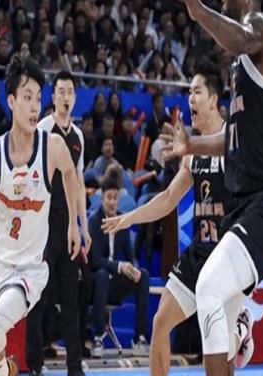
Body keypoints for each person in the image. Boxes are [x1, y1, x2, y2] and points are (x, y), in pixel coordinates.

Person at [165, 0, 263, 375]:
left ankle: (239, 323)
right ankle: (240, 324)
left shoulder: (261, 29)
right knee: (218, 307)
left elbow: (240, 39)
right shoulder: (243, 66)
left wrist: (198, 11)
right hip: (246, 206)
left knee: (208, 286)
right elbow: (233, 137)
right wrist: (192, 144)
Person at [103, 70, 254, 375]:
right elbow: (168, 198)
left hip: (230, 256)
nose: (190, 99)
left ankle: (238, 332)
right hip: (200, 253)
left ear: (214, 99)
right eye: (189, 92)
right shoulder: (192, 153)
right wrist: (128, 219)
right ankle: (237, 332)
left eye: (197, 92)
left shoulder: (236, 141)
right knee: (160, 322)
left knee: (220, 358)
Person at [0, 54, 81, 376]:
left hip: (30, 270)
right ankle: (4, 368)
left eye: (38, 98)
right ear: (11, 101)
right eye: (27, 98)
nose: (35, 106)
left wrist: (74, 224)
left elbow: (70, 173)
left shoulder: (52, 147)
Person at [28, 71, 91, 376]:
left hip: (69, 225)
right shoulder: (41, 129)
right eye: (61, 91)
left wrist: (83, 226)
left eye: (70, 92)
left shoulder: (78, 136)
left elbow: (78, 183)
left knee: (71, 297)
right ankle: (34, 364)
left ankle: (74, 367)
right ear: (52, 97)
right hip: (42, 222)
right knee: (39, 296)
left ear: (75, 98)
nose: (66, 97)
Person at [89, 172, 150, 358]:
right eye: (109, 198)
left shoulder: (122, 222)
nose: (112, 202)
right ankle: (98, 337)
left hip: (114, 284)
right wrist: (118, 266)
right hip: (96, 283)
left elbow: (130, 256)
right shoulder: (94, 222)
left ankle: (139, 338)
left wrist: (134, 268)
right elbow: (94, 260)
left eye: (115, 198)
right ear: (102, 198)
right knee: (101, 275)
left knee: (143, 276)